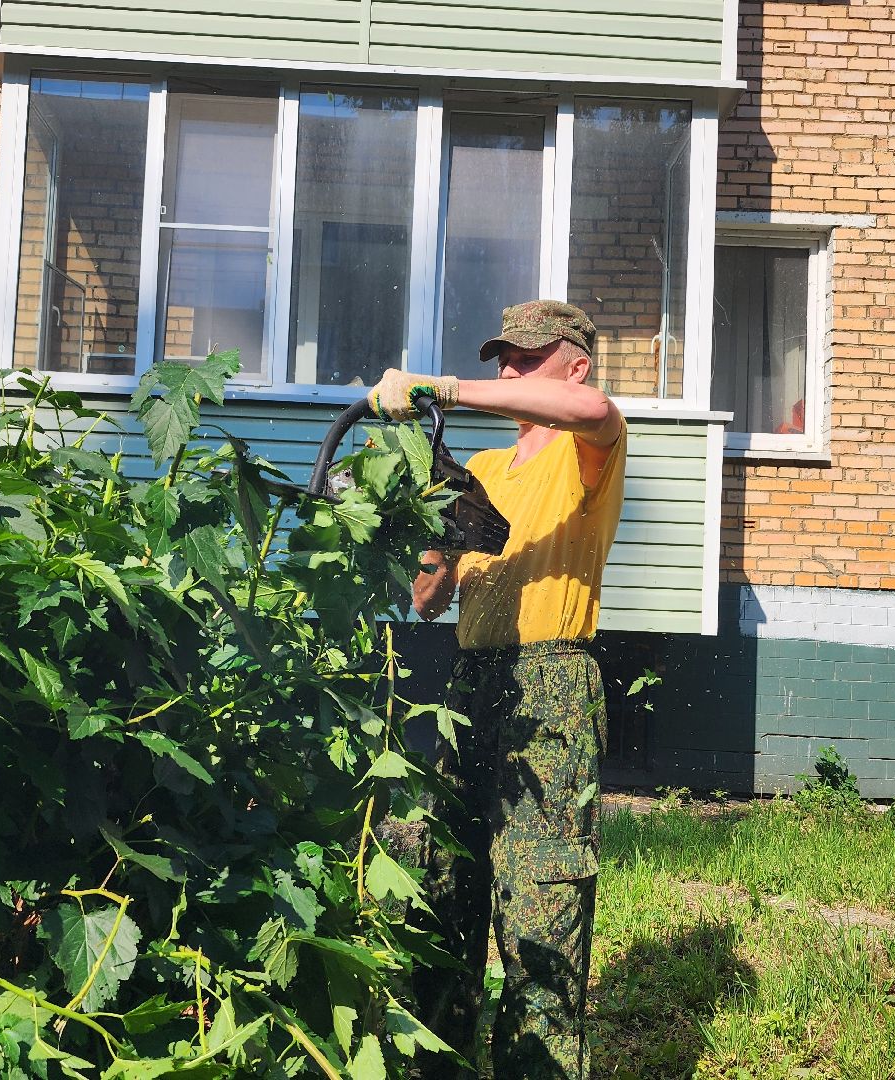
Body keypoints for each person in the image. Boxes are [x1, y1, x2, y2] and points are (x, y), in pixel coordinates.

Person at [365, 300, 626, 1080]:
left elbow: (595, 411)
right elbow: (425, 601)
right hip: (469, 684)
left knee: (539, 907)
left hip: (551, 687)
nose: (506, 371)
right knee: (446, 897)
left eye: (525, 358)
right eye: (500, 359)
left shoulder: (590, 446)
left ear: (574, 362)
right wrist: (433, 546)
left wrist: (440, 389)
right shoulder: (478, 473)